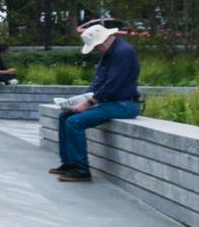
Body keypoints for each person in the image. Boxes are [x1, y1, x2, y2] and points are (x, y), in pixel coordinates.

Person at [52, 23, 141, 183]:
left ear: (105, 40)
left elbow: (113, 84)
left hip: (124, 104)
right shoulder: (108, 53)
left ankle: (82, 169)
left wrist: (90, 102)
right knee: (65, 116)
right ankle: (69, 163)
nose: (95, 50)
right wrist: (82, 99)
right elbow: (98, 82)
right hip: (110, 102)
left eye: (96, 47)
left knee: (75, 122)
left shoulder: (123, 52)